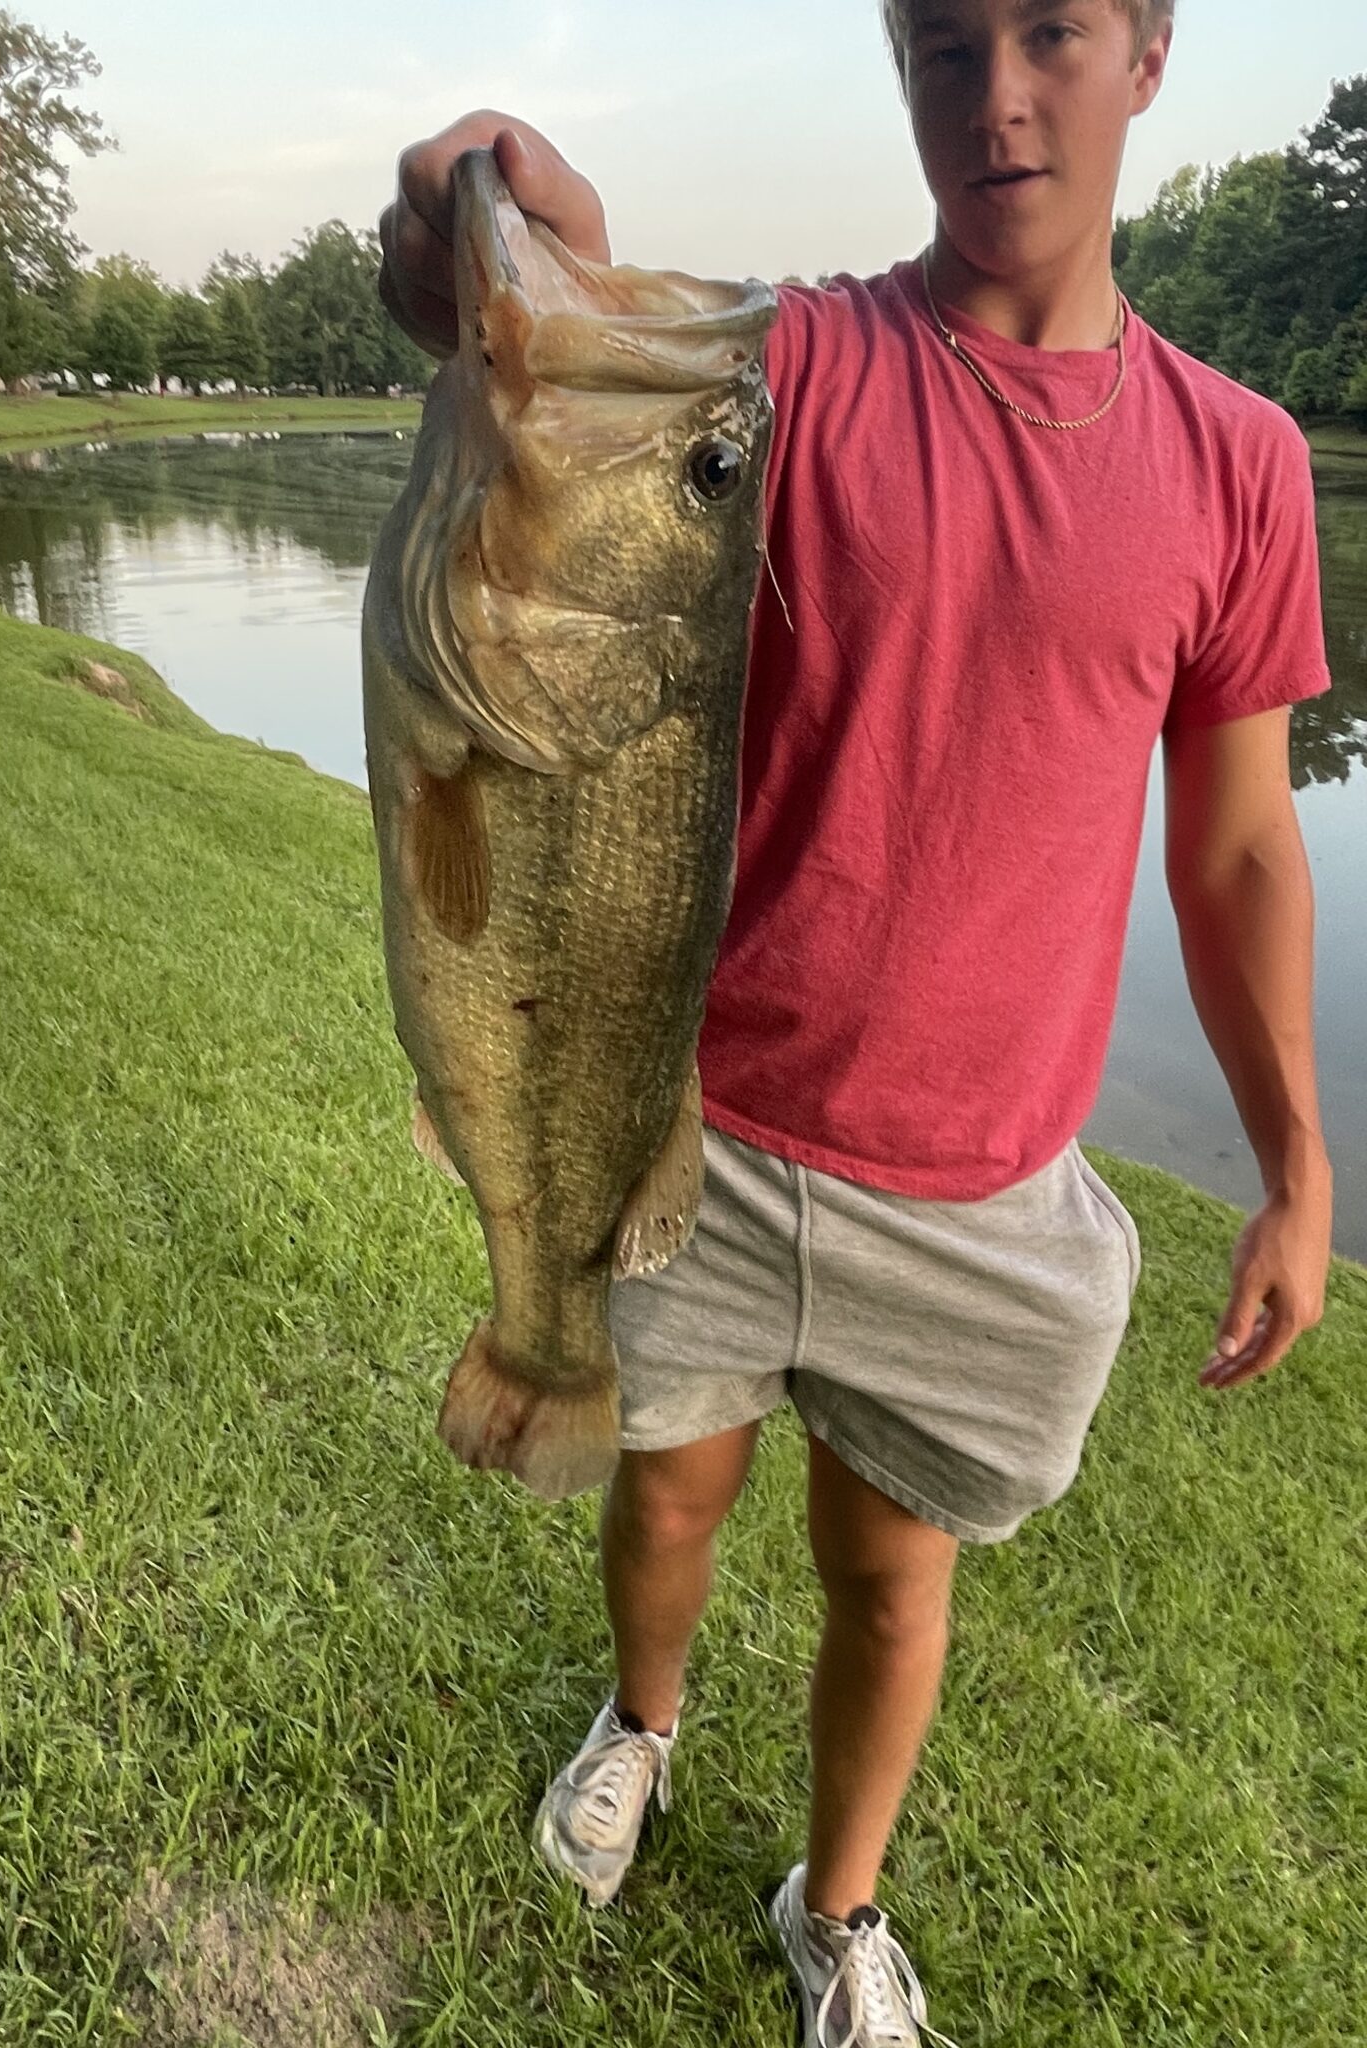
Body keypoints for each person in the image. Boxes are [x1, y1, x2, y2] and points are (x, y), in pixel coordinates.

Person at [377, 2, 1334, 2041]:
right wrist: (498, 234)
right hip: (700, 1126)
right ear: (900, 65)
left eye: (1052, 32)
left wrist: (1294, 1164)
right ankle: (641, 1719)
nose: (995, 93)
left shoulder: (1239, 460)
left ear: (1147, 57)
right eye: (944, 42)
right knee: (666, 1490)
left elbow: (1242, 849)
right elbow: (597, 377)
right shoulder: (795, 366)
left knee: (897, 1580)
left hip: (981, 1180)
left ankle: (843, 1902)